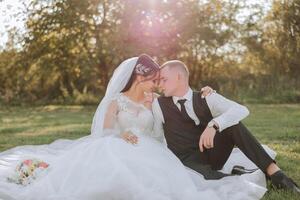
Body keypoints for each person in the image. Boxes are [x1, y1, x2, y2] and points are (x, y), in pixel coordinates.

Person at [0, 54, 267, 200]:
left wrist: (206, 91)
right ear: (140, 77)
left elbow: (158, 130)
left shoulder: (155, 102)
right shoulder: (115, 102)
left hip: (151, 148)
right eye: (154, 79)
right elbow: (102, 133)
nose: (157, 84)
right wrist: (121, 133)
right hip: (118, 144)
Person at [153, 60, 300, 194]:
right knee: (221, 183)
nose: (160, 85)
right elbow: (156, 136)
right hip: (187, 162)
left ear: (179, 77)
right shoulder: (158, 104)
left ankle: (276, 175)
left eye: (164, 80)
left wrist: (214, 125)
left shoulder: (206, 97)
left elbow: (242, 110)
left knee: (232, 124)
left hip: (212, 154)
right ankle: (238, 174)